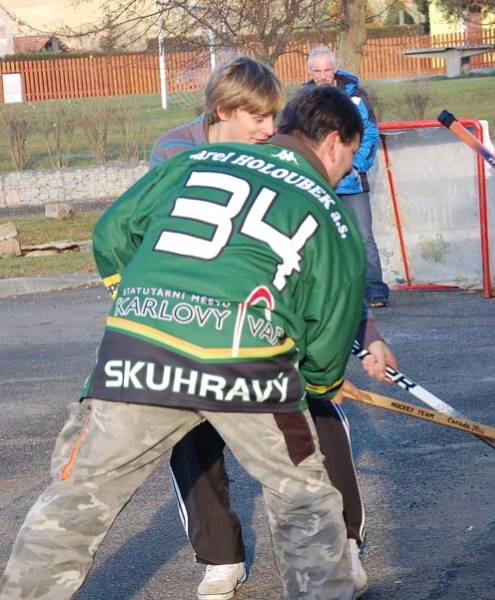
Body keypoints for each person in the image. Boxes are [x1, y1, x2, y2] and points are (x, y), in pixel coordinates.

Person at [0, 85, 371, 600]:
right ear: (333, 142)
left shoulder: (197, 160)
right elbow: (329, 336)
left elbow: (111, 233)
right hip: (251, 371)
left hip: (137, 358)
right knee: (305, 501)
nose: (348, 170)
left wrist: (136, 298)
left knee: (74, 502)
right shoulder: (331, 216)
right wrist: (320, 382)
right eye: (351, 156)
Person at [149, 57, 394, 599]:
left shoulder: (272, 157)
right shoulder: (171, 154)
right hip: (197, 320)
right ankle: (219, 557)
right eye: (259, 118)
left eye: (272, 117)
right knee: (190, 428)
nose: (271, 129)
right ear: (222, 111)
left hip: (268, 322)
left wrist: (365, 329)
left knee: (319, 414)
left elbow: (318, 257)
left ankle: (343, 542)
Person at [305, 44, 390, 309]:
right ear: (310, 71)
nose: (322, 75)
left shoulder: (356, 97)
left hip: (352, 183)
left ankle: (375, 290)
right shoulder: (302, 100)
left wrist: (356, 165)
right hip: (319, 183)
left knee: (364, 237)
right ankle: (332, 296)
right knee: (321, 241)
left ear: (335, 69)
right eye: (317, 71)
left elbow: (370, 134)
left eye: (327, 69)